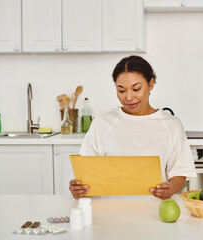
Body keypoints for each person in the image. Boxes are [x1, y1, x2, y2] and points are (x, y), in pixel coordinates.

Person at [69, 55, 196, 200]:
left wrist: (171, 188)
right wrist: (78, 188)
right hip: (108, 214)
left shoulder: (171, 125)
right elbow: (87, 172)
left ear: (151, 84)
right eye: (121, 91)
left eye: (136, 89)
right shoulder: (102, 122)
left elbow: (180, 172)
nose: (129, 97)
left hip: (155, 212)